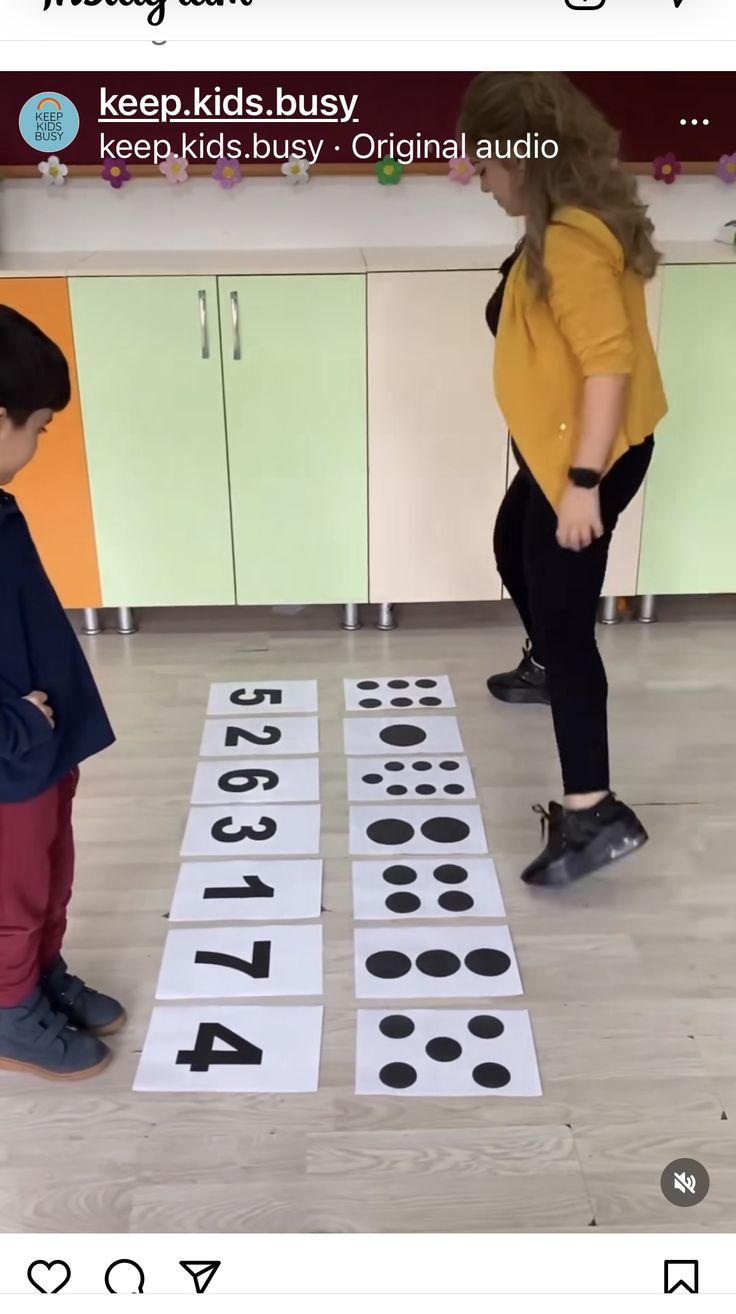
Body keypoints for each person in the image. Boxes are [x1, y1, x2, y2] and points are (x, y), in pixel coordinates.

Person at [458, 72, 668, 886]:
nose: (479, 180)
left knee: (569, 618)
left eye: (485, 164)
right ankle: (547, 663)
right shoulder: (556, 224)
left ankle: (592, 814)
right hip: (556, 445)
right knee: (516, 547)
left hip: (587, 453)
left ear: (523, 156)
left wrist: (583, 482)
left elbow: (608, 364)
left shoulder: (573, 240)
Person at [0, 305, 122, 1078]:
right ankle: (10, 1010)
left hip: (44, 740)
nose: (40, 445)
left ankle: (41, 978)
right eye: (38, 427)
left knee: (53, 869)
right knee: (11, 892)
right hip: (10, 753)